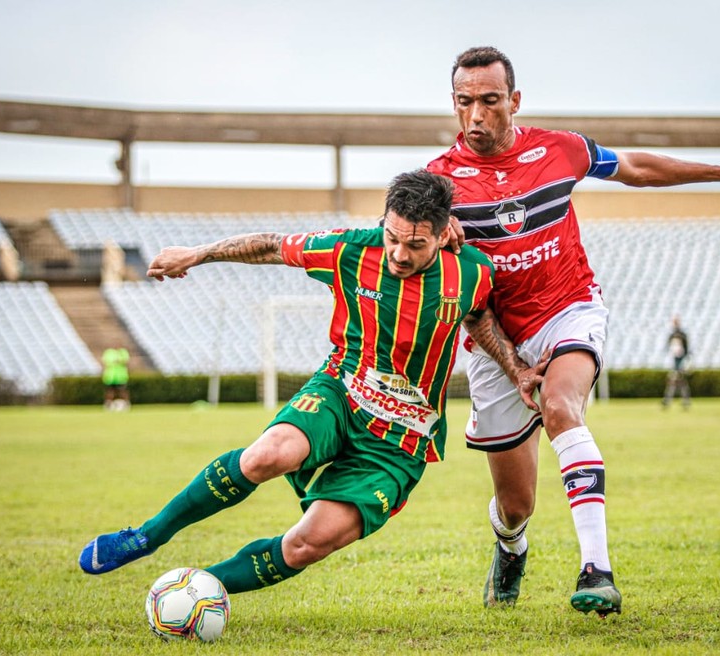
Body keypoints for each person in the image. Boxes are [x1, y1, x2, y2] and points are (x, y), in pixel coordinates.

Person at [78, 170, 548, 599]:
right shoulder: (350, 248)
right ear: (384, 222)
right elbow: (272, 245)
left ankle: (196, 591)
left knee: (307, 543)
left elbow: (480, 318)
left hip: (399, 444)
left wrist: (518, 371)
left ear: (444, 233)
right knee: (268, 455)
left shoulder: (471, 272)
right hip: (342, 393)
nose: (400, 254)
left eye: (417, 244)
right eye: (393, 238)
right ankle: (147, 535)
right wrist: (199, 254)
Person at [426, 46, 720, 616]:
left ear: (514, 101)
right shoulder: (439, 187)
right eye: (466, 103)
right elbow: (450, 289)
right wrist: (510, 362)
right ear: (453, 104)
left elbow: (632, 167)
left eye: (490, 101)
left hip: (569, 308)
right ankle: (511, 547)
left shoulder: (559, 149)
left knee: (562, 405)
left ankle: (596, 572)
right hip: (495, 342)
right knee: (516, 503)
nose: (477, 116)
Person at [662, 317, 691, 409]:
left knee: (677, 381)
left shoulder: (682, 335)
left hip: (680, 360)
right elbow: (669, 348)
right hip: (674, 360)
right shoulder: (672, 335)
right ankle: (682, 400)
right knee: (677, 381)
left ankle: (670, 400)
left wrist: (686, 361)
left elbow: (686, 349)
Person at [101, 346, 130, 411]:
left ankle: (127, 404)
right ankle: (108, 404)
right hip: (111, 376)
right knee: (110, 391)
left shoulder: (123, 352)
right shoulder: (109, 352)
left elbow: (126, 361)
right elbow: (105, 362)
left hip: (120, 376)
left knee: (122, 391)